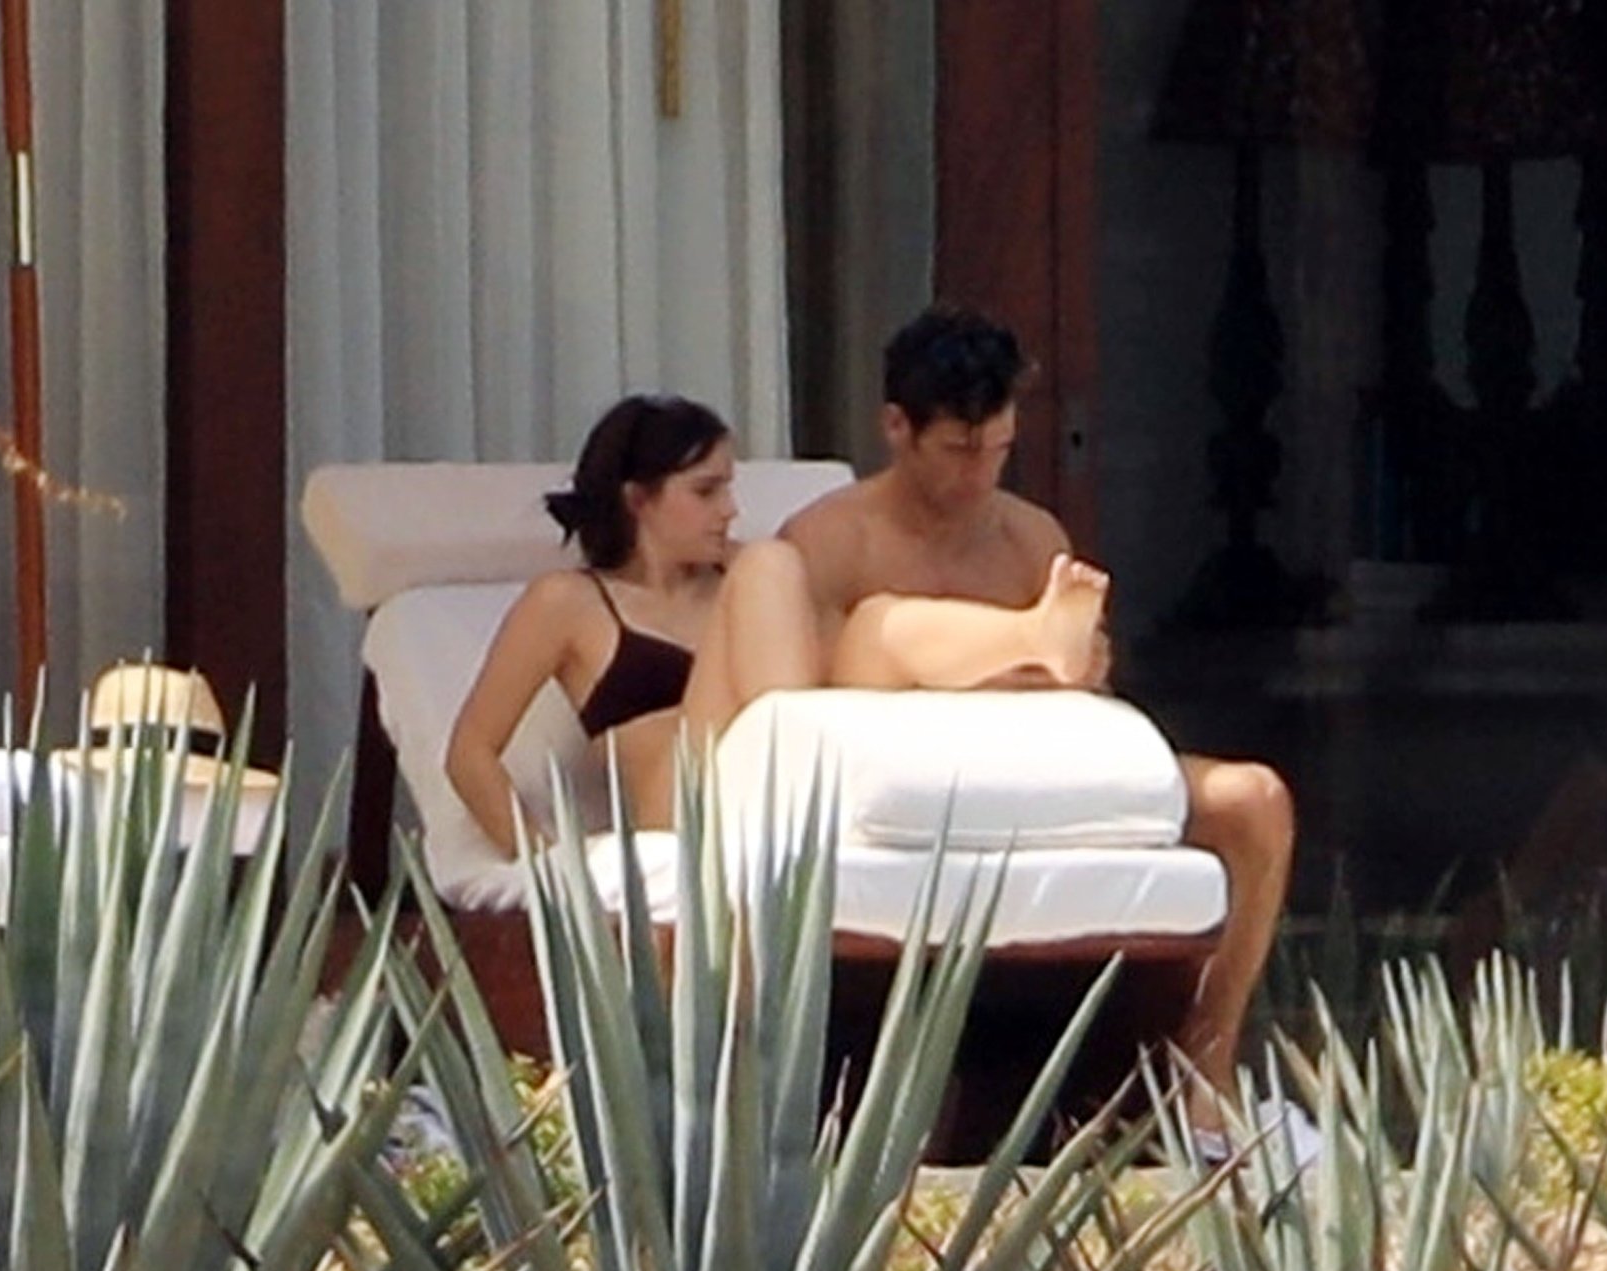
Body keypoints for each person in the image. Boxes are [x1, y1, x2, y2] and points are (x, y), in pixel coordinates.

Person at [677, 304, 1295, 1131]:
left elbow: (1083, 717)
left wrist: (1062, 681)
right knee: (878, 627)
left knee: (1255, 801)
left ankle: (1204, 1062)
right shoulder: (830, 540)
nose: (977, 473)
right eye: (956, 449)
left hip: (1015, 782)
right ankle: (1024, 637)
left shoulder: (1031, 538)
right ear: (896, 428)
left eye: (996, 448)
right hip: (881, 771)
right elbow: (799, 717)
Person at [445, 394, 738, 852]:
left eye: (728, 489)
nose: (730, 509)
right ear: (638, 499)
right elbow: (470, 753)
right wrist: (548, 865)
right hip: (680, 827)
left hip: (779, 796)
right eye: (706, 492)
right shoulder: (568, 603)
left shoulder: (747, 579)